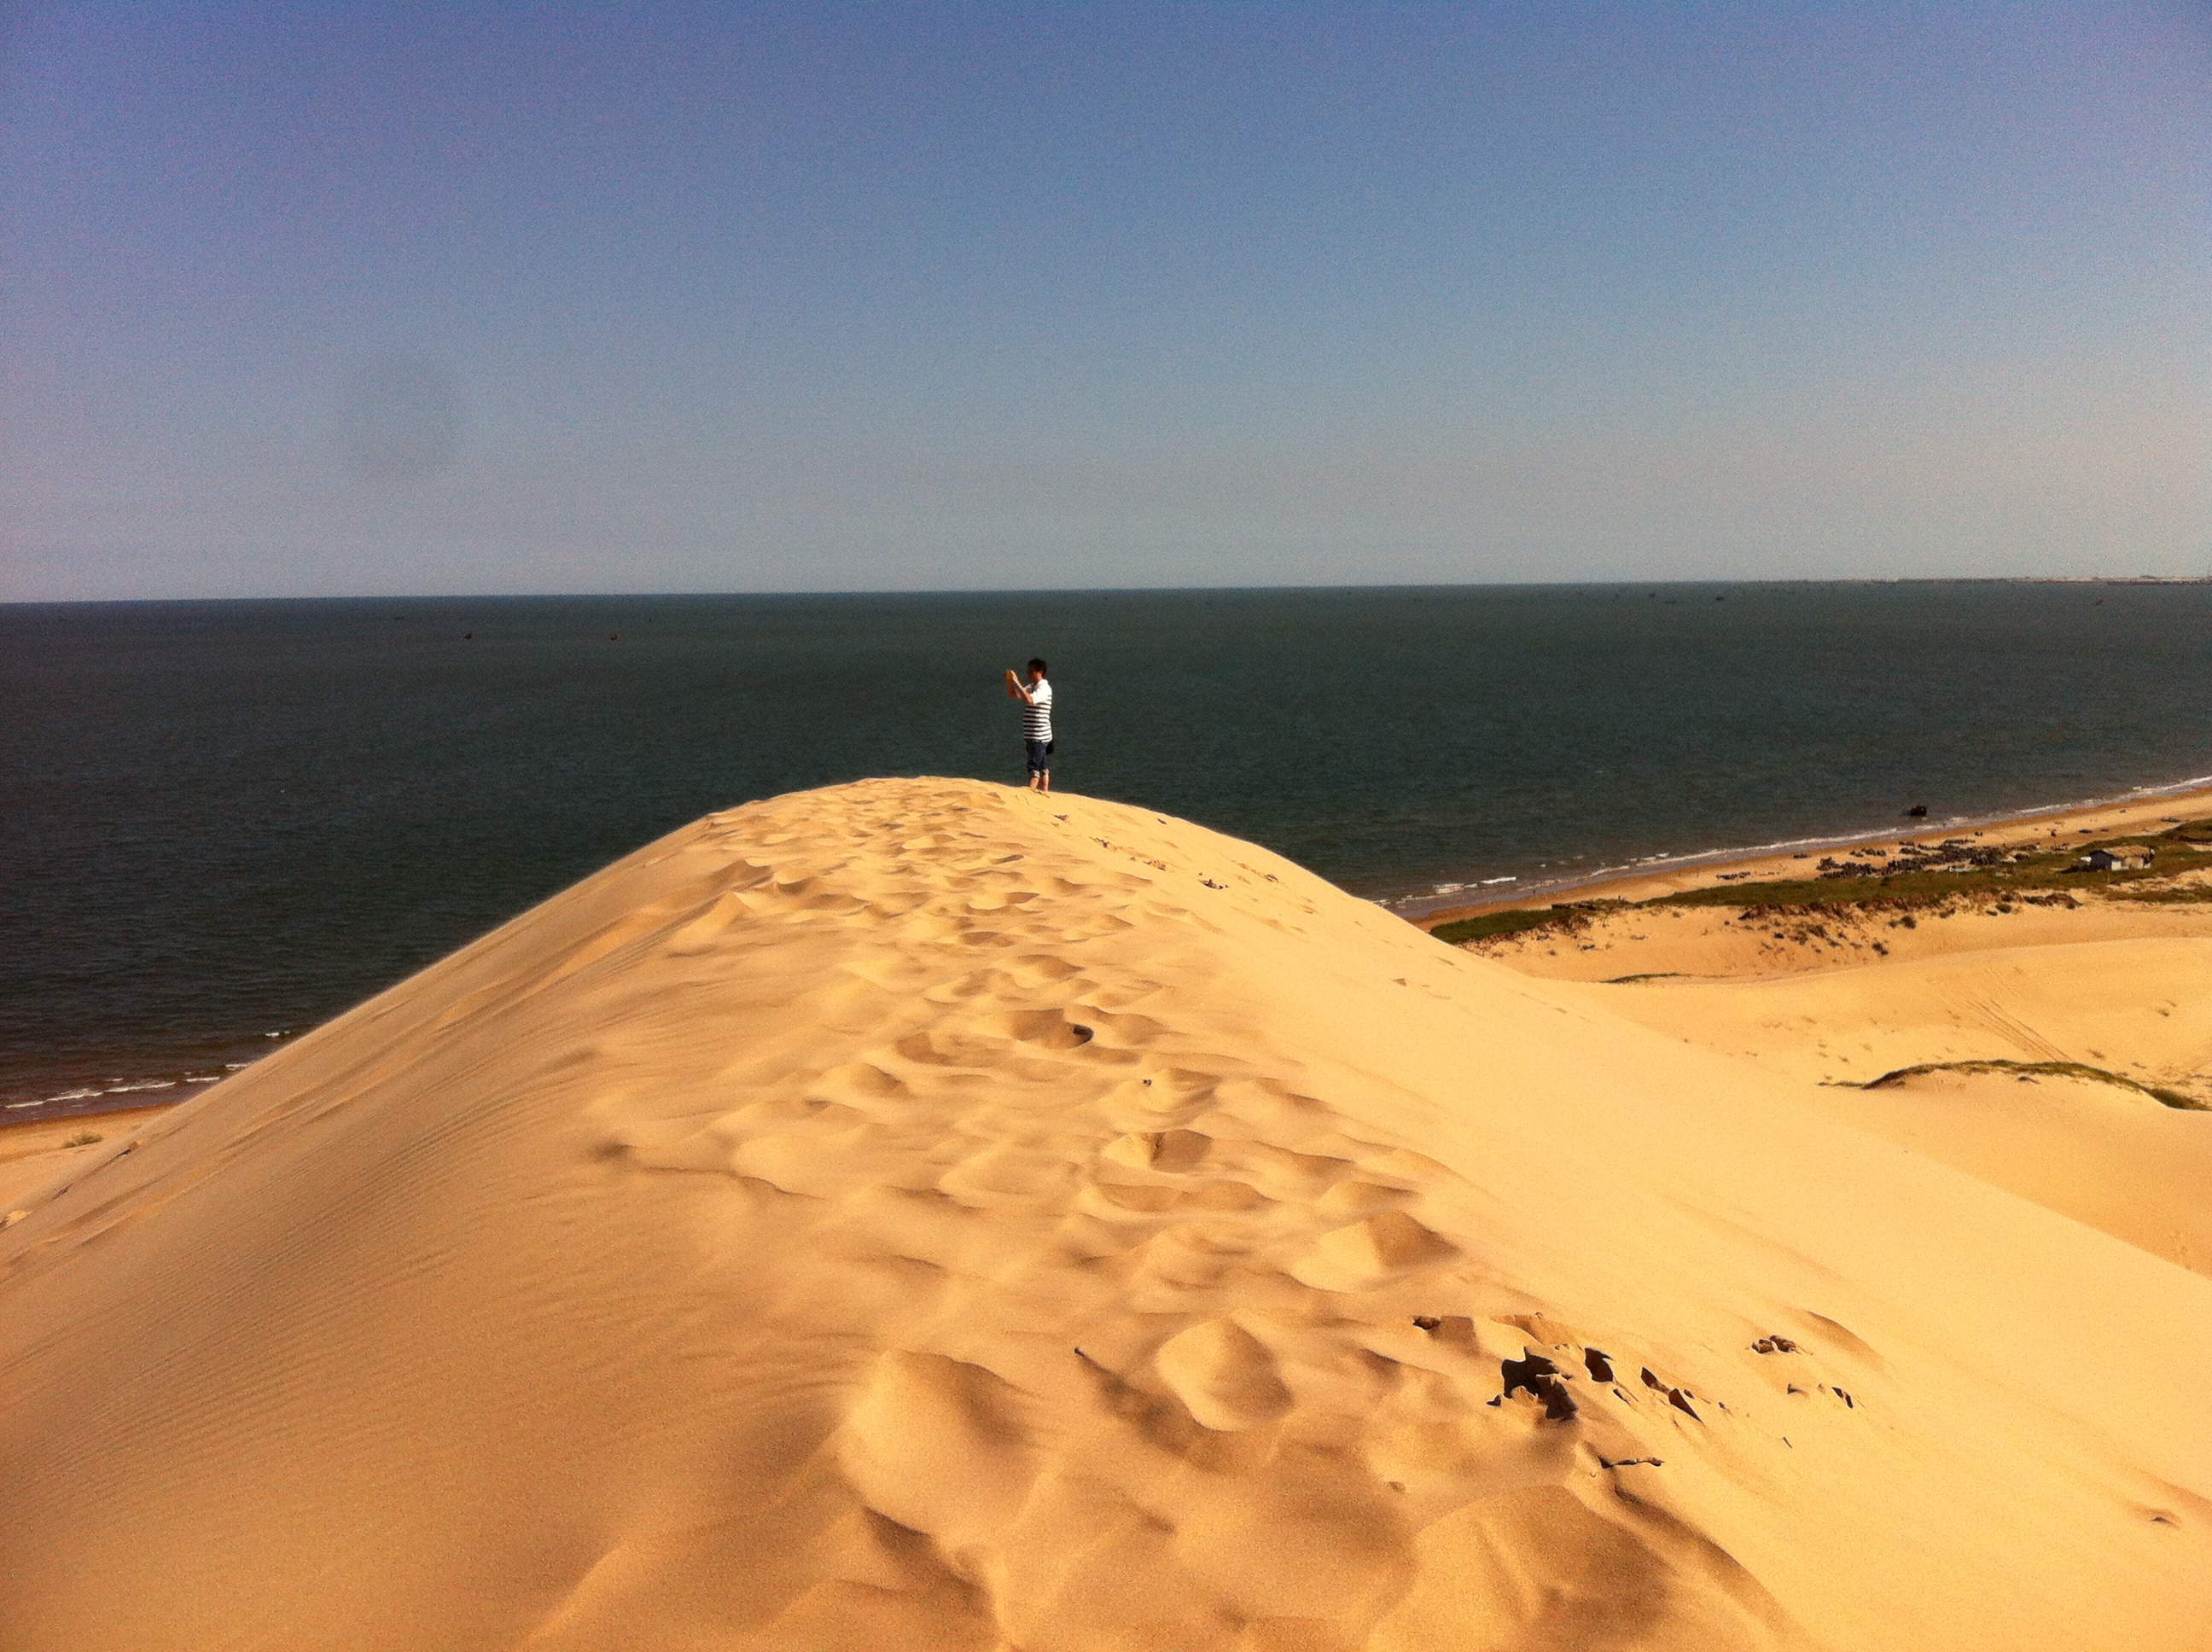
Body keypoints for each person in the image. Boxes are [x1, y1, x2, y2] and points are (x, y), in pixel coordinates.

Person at [1003, 658, 1053, 792]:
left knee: (1033, 766)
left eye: (1031, 671)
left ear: (1040, 672)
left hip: (1039, 735)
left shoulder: (1044, 688)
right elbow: (1013, 694)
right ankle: (1045, 792)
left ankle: (1031, 792)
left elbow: (1030, 700)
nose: (1029, 674)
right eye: (1028, 671)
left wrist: (1016, 682)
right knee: (1042, 766)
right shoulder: (1032, 687)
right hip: (1034, 735)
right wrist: (1009, 681)